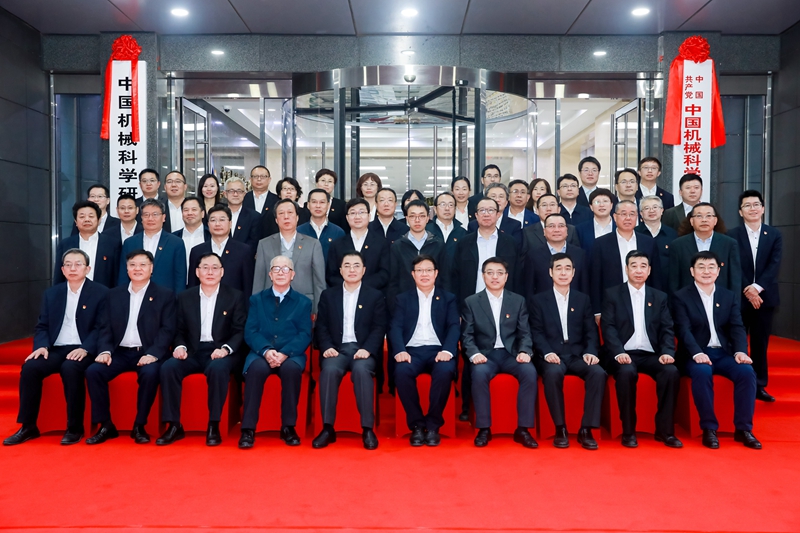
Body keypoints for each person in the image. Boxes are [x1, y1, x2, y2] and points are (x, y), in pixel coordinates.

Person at [3, 249, 108, 446]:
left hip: (83, 348)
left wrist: (85, 348)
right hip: (56, 348)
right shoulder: (52, 294)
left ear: (87, 268)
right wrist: (42, 346)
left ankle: (74, 427)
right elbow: (42, 325)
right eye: (68, 264)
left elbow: (101, 327)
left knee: (71, 368)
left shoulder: (101, 293)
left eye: (78, 264)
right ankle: (28, 426)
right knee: (30, 368)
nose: (73, 268)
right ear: (62, 269)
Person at [85, 250, 177, 445]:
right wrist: (105, 351)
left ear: (151, 269)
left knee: (150, 373)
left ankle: (139, 425)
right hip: (119, 352)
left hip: (147, 351)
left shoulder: (165, 295)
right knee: (94, 371)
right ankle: (106, 425)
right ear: (126, 269)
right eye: (133, 265)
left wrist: (153, 354)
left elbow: (168, 329)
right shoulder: (113, 294)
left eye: (143, 265)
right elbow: (105, 327)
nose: (137, 269)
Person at [156, 252, 246, 446]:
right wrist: (180, 347)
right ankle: (174, 425)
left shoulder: (235, 296)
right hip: (193, 352)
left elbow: (239, 331)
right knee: (169, 367)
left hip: (221, 352)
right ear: (197, 272)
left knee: (218, 369)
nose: (210, 272)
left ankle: (213, 424)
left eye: (215, 268)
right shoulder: (185, 297)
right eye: (205, 268)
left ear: (222, 272)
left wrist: (225, 349)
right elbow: (178, 330)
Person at [673, 251, 761, 449]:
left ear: (718, 271)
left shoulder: (728, 296)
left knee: (747, 372)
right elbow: (683, 330)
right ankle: (709, 428)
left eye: (711, 267)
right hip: (694, 354)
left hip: (723, 353)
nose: (706, 271)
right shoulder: (681, 297)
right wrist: (697, 353)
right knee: (702, 371)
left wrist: (740, 351)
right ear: (692, 271)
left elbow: (737, 327)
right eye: (701, 267)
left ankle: (744, 429)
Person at [600, 251, 682, 448]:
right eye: (634, 266)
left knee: (671, 372)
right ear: (626, 269)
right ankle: (628, 431)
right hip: (622, 353)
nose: (638, 270)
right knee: (626, 372)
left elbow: (667, 328)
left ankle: (665, 431)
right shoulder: (612, 294)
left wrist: (667, 352)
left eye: (643, 266)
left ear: (649, 270)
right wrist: (619, 352)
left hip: (650, 354)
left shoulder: (659, 297)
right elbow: (608, 328)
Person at [452, 197, 519, 419]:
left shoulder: (510, 242)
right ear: (475, 215)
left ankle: (502, 408)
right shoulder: (464, 242)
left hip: (503, 305)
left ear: (499, 214)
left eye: (491, 210)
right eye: (482, 210)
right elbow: (455, 277)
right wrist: (458, 310)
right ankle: (467, 407)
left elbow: (517, 277)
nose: (487, 214)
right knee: (471, 354)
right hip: (471, 306)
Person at [461, 257, 538, 449]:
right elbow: (467, 335)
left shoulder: (518, 301)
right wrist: (474, 354)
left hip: (511, 354)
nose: (495, 277)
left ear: (506, 277)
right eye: (490, 273)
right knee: (478, 373)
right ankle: (484, 428)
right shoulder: (471, 302)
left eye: (499, 273)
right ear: (483, 276)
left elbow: (525, 333)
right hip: (485, 355)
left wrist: (525, 351)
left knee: (529, 372)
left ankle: (523, 429)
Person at [312, 251, 386, 450]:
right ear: (340, 270)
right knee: (329, 370)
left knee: (362, 371)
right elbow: (321, 326)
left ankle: (367, 429)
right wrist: (327, 347)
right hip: (337, 349)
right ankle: (327, 428)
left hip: (362, 350)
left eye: (356, 266)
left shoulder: (375, 296)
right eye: (347, 265)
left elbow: (379, 327)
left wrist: (368, 349)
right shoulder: (329, 295)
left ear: (364, 270)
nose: (351, 270)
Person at [530, 253, 604, 449]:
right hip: (550, 355)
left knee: (598, 373)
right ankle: (560, 428)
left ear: (573, 273)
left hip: (577, 355)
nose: (563, 273)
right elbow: (536, 332)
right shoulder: (538, 300)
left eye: (567, 269)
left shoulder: (582, 299)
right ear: (550, 272)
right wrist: (547, 353)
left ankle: (586, 429)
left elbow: (591, 331)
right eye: (559, 268)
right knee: (553, 373)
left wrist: (591, 352)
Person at [239, 255, 312, 449]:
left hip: (291, 353)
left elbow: (305, 333)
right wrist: (266, 350)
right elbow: (251, 331)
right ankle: (248, 429)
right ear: (270, 274)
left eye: (285, 269)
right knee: (255, 370)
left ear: (292, 274)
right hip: (261, 352)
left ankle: (288, 427)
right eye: (276, 269)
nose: (281, 273)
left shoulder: (303, 302)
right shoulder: (257, 300)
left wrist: (285, 352)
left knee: (290, 370)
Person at [390, 255, 459, 446]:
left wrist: (448, 350)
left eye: (428, 270)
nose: (424, 274)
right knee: (401, 372)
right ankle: (417, 425)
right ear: (413, 274)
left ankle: (433, 425)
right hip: (411, 351)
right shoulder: (403, 299)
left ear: (436, 273)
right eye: (420, 270)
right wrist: (400, 350)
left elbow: (454, 326)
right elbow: (395, 327)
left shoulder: (448, 298)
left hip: (439, 350)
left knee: (445, 371)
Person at [728, 190, 782, 402]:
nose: (752, 209)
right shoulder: (732, 235)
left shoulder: (774, 234)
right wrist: (748, 289)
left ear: (763, 208)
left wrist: (757, 288)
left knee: (760, 344)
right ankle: (736, 383)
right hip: (739, 298)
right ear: (740, 212)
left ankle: (759, 386)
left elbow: (774, 265)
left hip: (764, 298)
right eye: (747, 205)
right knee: (736, 342)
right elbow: (733, 266)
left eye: (756, 204)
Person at [253, 199, 325, 313]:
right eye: (281, 213)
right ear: (276, 220)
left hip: (304, 305)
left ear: (297, 217)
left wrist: (318, 311)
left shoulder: (313, 244)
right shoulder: (264, 244)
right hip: (271, 306)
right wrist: (257, 310)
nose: (286, 217)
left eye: (290, 212)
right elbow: (259, 281)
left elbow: (319, 282)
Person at [590, 200, 659, 316]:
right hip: (611, 303)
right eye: (623, 214)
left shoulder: (648, 242)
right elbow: (595, 279)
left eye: (632, 214)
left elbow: (656, 277)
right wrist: (597, 311)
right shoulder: (601, 243)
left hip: (643, 301)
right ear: (615, 217)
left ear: (637, 217)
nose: (628, 218)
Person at [668, 203, 741, 296]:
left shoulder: (729, 244)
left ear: (715, 220)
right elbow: (673, 281)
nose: (704, 220)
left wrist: (734, 303)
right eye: (699, 216)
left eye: (708, 216)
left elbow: (735, 280)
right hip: (687, 300)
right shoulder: (678, 245)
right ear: (691, 221)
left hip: (721, 300)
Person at [387, 199, 449, 308]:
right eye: (412, 216)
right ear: (407, 218)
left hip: (434, 303)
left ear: (427, 218)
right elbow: (393, 282)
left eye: (421, 216)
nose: (417, 220)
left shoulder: (438, 244)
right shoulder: (397, 246)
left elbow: (445, 278)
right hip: (405, 304)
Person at [119, 199, 187, 294]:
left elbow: (180, 276)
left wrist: (177, 300)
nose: (150, 218)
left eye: (155, 214)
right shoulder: (130, 243)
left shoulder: (176, 243)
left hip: (165, 297)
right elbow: (123, 275)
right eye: (146, 215)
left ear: (163, 217)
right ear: (141, 218)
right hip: (136, 295)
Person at [188, 205, 255, 296]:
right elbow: (192, 285)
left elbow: (248, 285)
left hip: (234, 303)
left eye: (222, 220)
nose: (217, 224)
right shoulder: (197, 251)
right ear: (208, 224)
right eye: (213, 220)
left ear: (230, 223)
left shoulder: (243, 250)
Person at [327, 198, 389, 290]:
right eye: (352, 213)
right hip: (344, 294)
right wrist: (349, 286)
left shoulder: (382, 243)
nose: (357, 217)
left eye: (361, 212)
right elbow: (331, 275)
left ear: (369, 216)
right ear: (347, 218)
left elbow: (384, 273)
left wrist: (361, 287)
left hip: (373, 294)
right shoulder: (337, 244)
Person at [55, 201, 120, 288]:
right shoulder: (65, 244)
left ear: (99, 220)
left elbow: (117, 276)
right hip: (73, 293)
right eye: (82, 217)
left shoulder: (112, 244)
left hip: (104, 294)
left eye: (91, 216)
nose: (87, 219)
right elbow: (59, 276)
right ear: (76, 222)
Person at [523, 213, 588, 298]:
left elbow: (584, 286)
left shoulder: (580, 254)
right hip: (543, 304)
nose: (556, 230)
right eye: (551, 226)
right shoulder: (533, 255)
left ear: (567, 230)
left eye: (561, 226)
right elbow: (529, 288)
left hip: (575, 303)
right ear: (544, 231)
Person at [636, 195, 677, 291]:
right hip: (640, 286)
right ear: (641, 213)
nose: (651, 211)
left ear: (662, 210)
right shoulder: (634, 233)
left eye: (655, 207)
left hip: (667, 287)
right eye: (647, 208)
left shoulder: (672, 234)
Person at [467, 183, 523, 247]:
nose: (497, 200)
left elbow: (516, 249)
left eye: (501, 197)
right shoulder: (473, 225)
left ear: (506, 202)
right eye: (493, 196)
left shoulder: (515, 225)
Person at [297, 188, 344, 261]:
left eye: (322, 202)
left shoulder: (338, 232)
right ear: (308, 205)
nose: (318, 206)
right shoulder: (298, 231)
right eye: (314, 202)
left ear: (328, 205)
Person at [426, 191, 467, 261]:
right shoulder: (426, 230)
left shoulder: (463, 233)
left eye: (451, 205)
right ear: (435, 209)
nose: (447, 208)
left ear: (455, 209)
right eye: (443, 204)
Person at [173, 196, 210, 275]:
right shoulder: (173, 238)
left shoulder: (211, 235)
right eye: (186, 210)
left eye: (194, 209)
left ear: (202, 213)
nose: (189, 213)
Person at [223, 176, 261, 253]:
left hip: (244, 258)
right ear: (225, 194)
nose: (235, 194)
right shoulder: (218, 214)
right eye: (231, 191)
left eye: (239, 191)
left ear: (244, 194)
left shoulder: (254, 216)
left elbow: (253, 244)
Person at [574, 188, 616, 256]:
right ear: (591, 207)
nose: (601, 205)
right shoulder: (580, 229)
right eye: (597, 202)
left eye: (605, 201)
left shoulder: (620, 227)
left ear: (611, 205)